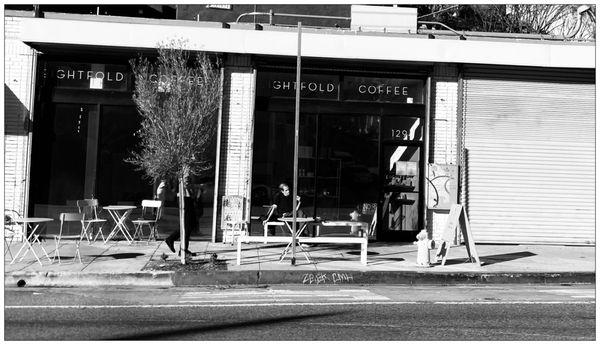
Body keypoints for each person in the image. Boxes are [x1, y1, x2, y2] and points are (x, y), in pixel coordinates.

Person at [164, 174, 199, 256]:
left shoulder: (188, 189)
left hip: (190, 212)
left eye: (189, 178)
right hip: (186, 213)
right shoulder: (181, 192)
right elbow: (184, 203)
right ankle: (173, 241)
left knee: (187, 230)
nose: (188, 180)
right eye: (186, 178)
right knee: (185, 230)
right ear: (181, 180)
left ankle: (182, 249)